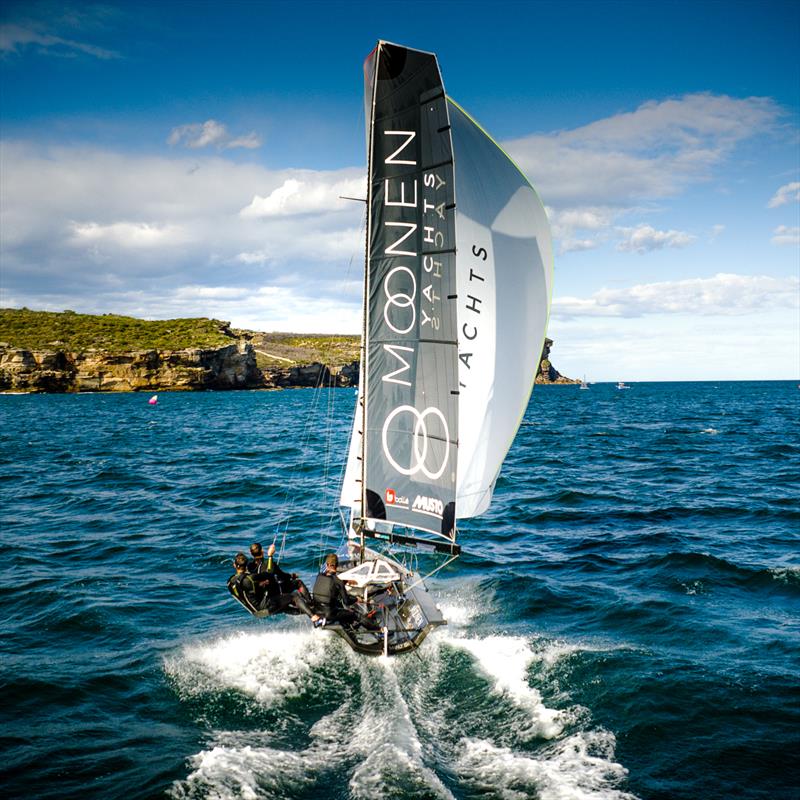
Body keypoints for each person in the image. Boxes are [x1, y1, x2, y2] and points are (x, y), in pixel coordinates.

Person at [246, 541, 316, 619]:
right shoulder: (269, 564)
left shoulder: (250, 566)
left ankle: (310, 611)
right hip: (273, 595)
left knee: (286, 606)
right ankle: (311, 604)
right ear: (262, 551)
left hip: (262, 599)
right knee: (298, 583)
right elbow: (282, 576)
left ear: (251, 553)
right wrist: (292, 576)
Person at [312, 553, 360, 627]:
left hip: (316, 611)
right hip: (329, 614)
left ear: (327, 564)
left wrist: (345, 581)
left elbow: (329, 583)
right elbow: (346, 601)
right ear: (337, 565)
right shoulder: (338, 581)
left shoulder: (319, 576)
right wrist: (356, 599)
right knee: (355, 614)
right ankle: (380, 631)